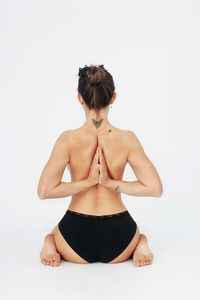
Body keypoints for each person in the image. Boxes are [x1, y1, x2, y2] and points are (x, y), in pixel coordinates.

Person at [38, 64, 163, 267]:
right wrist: (109, 182)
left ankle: (49, 242)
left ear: (80, 98)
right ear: (113, 98)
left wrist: (87, 182)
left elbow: (44, 191)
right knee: (139, 235)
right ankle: (141, 242)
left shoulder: (67, 140)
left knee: (52, 234)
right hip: (121, 239)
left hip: (73, 238)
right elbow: (155, 189)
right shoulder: (127, 139)